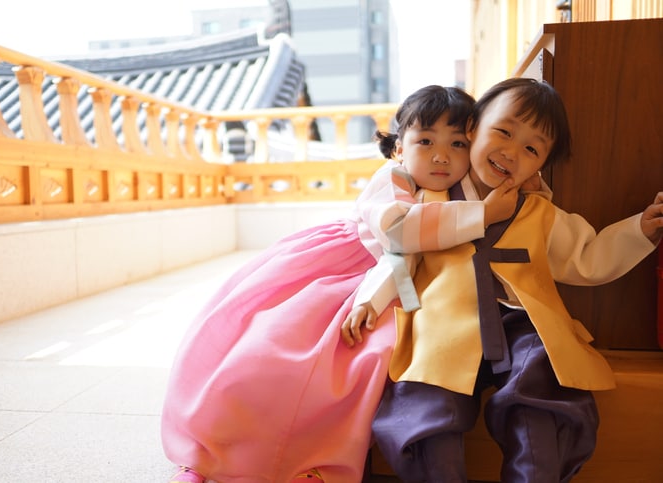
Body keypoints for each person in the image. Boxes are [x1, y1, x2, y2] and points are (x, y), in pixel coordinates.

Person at [161, 85, 525, 483]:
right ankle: (208, 454)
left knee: (362, 367)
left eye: (457, 143)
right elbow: (400, 233)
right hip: (344, 265)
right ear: (398, 148)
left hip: (392, 281)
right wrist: (482, 215)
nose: (441, 155)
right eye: (425, 140)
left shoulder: (458, 188)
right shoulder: (393, 178)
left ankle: (310, 463)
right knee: (275, 349)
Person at [344, 77, 663, 482]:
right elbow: (397, 255)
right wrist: (368, 302)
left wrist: (640, 230)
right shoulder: (429, 202)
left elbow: (587, 257)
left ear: (540, 164)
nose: (512, 152)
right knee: (426, 406)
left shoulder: (538, 213)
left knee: (542, 385)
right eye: (504, 132)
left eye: (531, 149)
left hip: (519, 325)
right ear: (473, 128)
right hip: (442, 325)